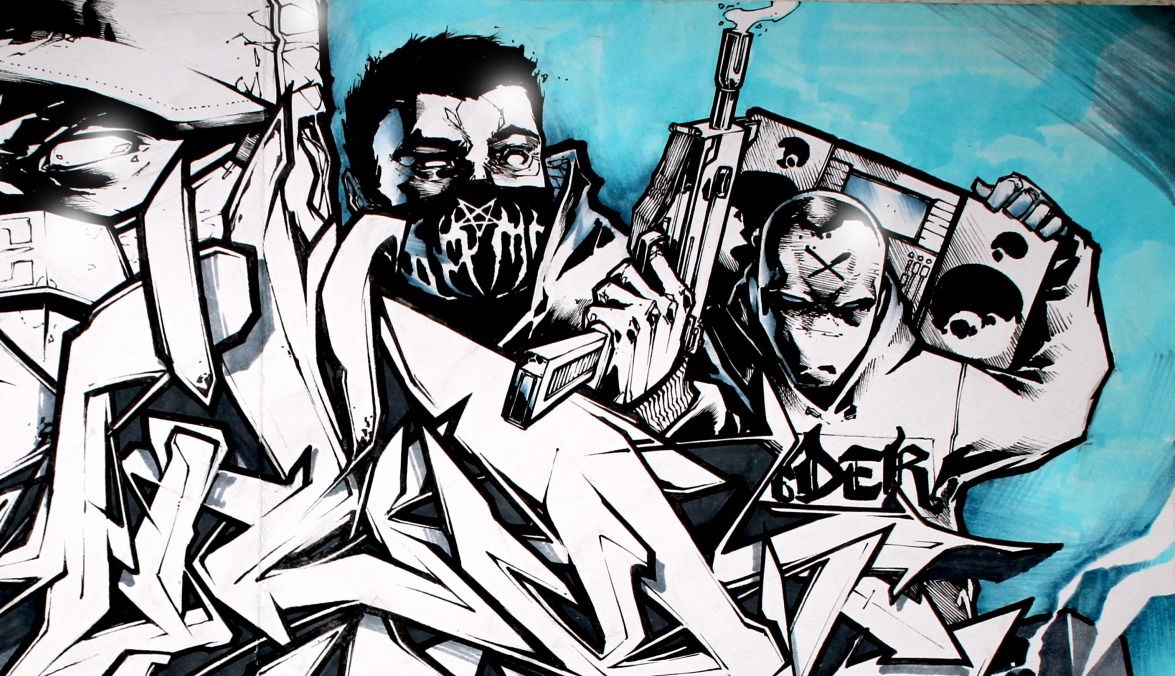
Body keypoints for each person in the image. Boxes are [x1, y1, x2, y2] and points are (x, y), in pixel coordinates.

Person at [706, 182, 1110, 622]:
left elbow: (1057, 411)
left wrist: (1067, 260)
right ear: (759, 291)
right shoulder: (717, 372)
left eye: (851, 310)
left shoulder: (938, 390)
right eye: (795, 304)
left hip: (915, 646)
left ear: (880, 299)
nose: (821, 330)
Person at [341, 33, 702, 432]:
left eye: (514, 156)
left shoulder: (617, 286)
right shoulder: (331, 325)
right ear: (360, 194)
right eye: (432, 165)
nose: (481, 193)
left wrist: (661, 401)